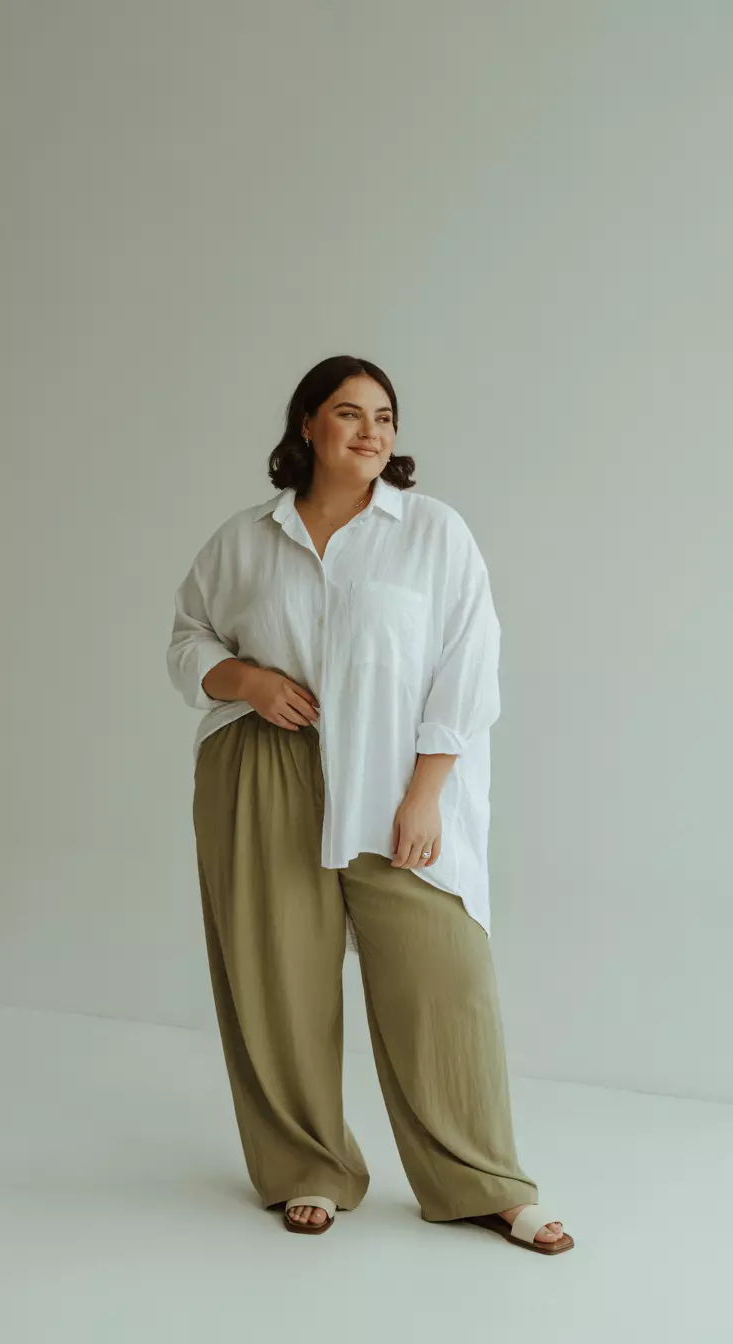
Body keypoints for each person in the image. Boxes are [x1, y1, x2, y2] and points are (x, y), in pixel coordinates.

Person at [166, 354, 574, 1255]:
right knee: (278, 980)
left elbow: (469, 667)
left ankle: (483, 1183)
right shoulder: (245, 539)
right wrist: (247, 679)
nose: (371, 431)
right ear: (306, 425)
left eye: (384, 416)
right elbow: (188, 637)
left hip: (398, 779)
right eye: (348, 414)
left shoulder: (432, 532)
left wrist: (427, 792)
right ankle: (306, 1166)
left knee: (443, 981)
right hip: (263, 767)